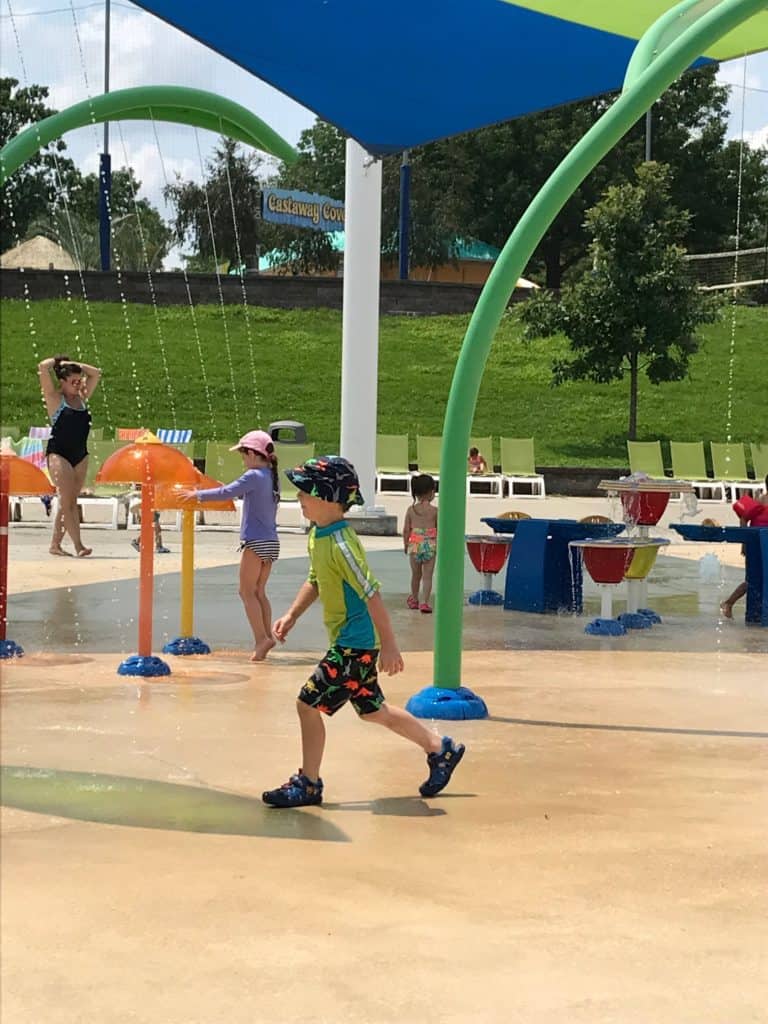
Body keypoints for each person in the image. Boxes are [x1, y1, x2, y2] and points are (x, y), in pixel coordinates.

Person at [263, 455, 464, 808]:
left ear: (328, 497)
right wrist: (292, 615)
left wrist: (390, 645)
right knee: (374, 711)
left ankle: (308, 784)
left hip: (354, 645)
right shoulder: (319, 535)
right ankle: (439, 748)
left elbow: (371, 593)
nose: (300, 499)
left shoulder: (342, 543)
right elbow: (317, 580)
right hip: (353, 643)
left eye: (305, 493)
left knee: (306, 704)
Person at [182, 430, 279, 661]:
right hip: (271, 542)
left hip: (255, 541)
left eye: (244, 455)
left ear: (254, 454)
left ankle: (261, 639)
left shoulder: (253, 475)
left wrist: (195, 495)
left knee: (245, 592)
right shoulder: (269, 476)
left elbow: (227, 492)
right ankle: (267, 637)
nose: (243, 460)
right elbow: (238, 493)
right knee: (259, 592)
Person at [38, 353, 101, 557]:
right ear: (62, 381)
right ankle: (78, 545)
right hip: (59, 454)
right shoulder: (55, 399)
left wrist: (76, 365)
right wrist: (58, 362)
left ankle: (55, 545)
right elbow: (42, 366)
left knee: (70, 500)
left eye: (79, 380)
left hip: (80, 454)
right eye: (73, 381)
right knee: (68, 503)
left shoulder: (82, 398)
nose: (78, 384)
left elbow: (96, 373)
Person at [720, 476, 768, 619]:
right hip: (756, 544)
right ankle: (728, 603)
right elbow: (743, 519)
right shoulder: (761, 501)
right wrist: (745, 541)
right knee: (753, 579)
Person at [403, 473, 438, 613]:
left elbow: (406, 530)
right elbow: (439, 529)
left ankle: (414, 599)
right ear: (431, 492)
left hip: (415, 545)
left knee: (415, 575)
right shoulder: (435, 511)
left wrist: (406, 545)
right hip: (430, 545)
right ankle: (425, 602)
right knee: (428, 576)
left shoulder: (411, 510)